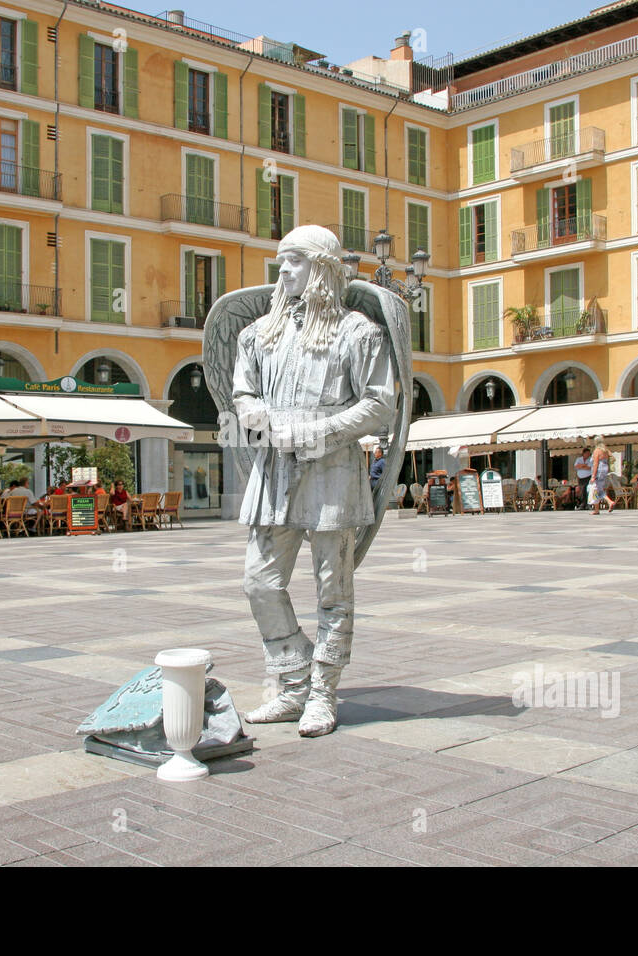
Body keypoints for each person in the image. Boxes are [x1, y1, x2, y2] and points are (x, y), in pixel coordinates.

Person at [229, 224, 398, 738]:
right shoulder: (256, 334)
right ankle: (294, 679)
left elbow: (380, 405)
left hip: (333, 472)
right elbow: (242, 396)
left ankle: (322, 694)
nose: (283, 270)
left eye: (295, 260)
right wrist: (268, 423)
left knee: (333, 591)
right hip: (273, 469)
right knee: (260, 583)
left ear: (323, 266)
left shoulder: (358, 333)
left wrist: (317, 431)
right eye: (281, 260)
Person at [590, 439, 616, 514]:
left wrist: (593, 476)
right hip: (605, 470)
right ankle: (596, 509)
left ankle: (609, 502)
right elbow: (612, 458)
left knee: (596, 489)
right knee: (597, 489)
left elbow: (595, 464)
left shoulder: (597, 451)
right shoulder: (606, 450)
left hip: (599, 471)